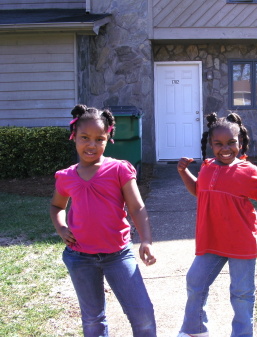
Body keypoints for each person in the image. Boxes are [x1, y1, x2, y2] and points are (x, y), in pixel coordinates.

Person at [49, 104, 157, 337]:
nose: (92, 144)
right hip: (80, 258)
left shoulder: (119, 170)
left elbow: (137, 207)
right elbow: (57, 206)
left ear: (108, 140)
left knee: (143, 315)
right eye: (85, 137)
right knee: (93, 320)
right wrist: (61, 227)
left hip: (118, 255)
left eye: (100, 139)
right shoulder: (66, 176)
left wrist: (146, 240)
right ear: (74, 137)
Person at [176, 112, 257, 337]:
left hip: (241, 243)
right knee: (195, 281)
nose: (226, 148)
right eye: (218, 144)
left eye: (231, 142)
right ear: (211, 145)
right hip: (212, 241)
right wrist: (184, 172)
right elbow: (199, 191)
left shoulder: (247, 170)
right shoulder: (207, 166)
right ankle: (195, 330)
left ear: (240, 143)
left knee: (241, 294)